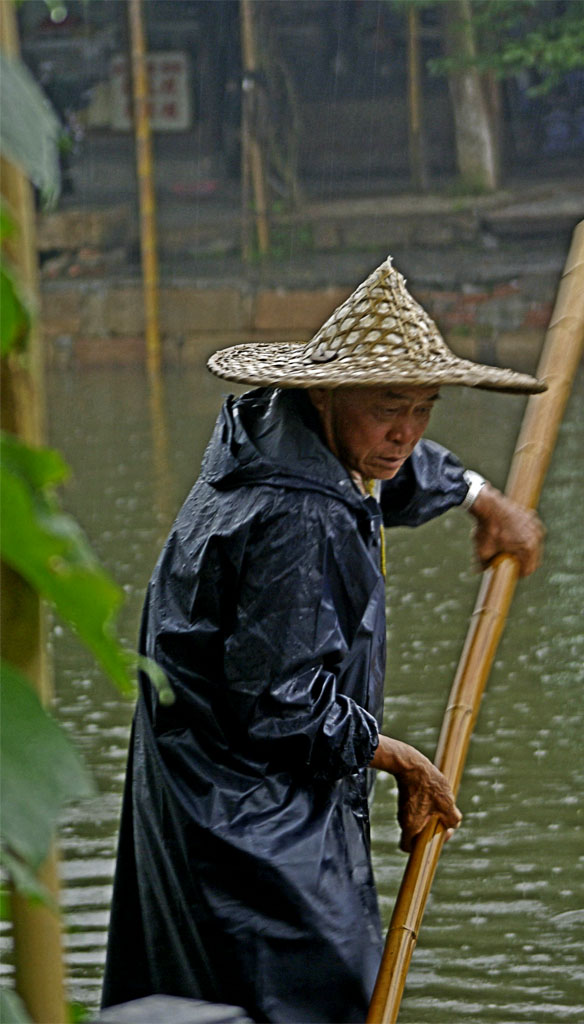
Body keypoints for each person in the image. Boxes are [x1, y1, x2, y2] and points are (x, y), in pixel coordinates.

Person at [101, 259, 545, 1023]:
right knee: (317, 996)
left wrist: (479, 497)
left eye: (424, 407)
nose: (405, 431)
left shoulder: (273, 439)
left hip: (198, 792)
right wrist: (400, 760)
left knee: (198, 1001)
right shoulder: (300, 516)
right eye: (387, 407)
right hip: (248, 819)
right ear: (325, 395)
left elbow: (386, 468)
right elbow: (281, 704)